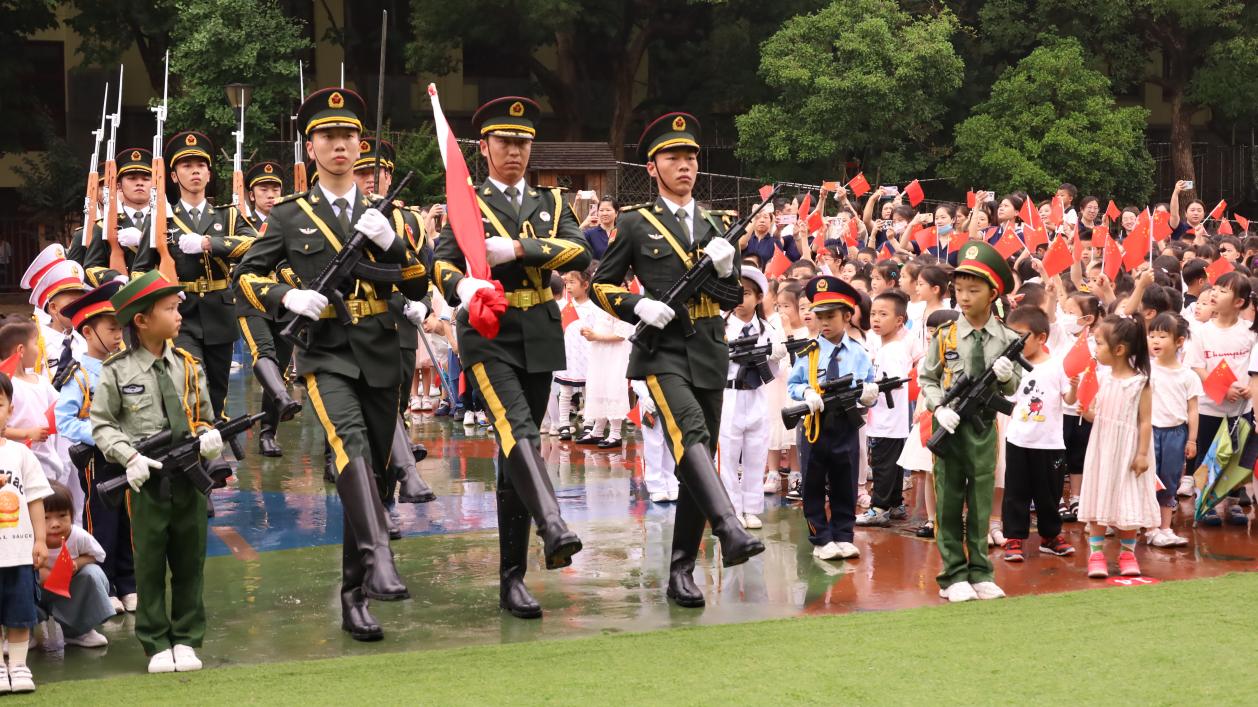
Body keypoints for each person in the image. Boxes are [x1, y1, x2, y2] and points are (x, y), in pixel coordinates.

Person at [234, 87, 429, 639]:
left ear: (360, 145)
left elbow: (418, 283)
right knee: (349, 446)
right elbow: (244, 278)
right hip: (326, 352)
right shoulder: (289, 215)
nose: (339, 144)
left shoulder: (387, 215)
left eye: (348, 136)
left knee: (374, 470)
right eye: (328, 136)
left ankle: (353, 594)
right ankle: (381, 557)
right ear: (311, 147)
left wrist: (393, 244)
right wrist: (287, 297)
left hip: (382, 348)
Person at [591, 111, 762, 607]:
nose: (685, 165)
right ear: (652, 167)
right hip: (662, 350)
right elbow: (602, 285)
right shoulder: (634, 223)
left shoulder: (717, 224)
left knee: (697, 455)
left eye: (690, 157)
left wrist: (727, 272)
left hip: (709, 347)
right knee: (690, 433)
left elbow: (733, 299)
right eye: (673, 157)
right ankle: (728, 527)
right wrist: (637, 305)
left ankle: (681, 570)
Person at [430, 95, 590, 619]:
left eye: (523, 143)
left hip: (539, 331)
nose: (515, 151)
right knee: (518, 430)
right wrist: (462, 286)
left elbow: (579, 251)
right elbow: (441, 262)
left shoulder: (553, 202)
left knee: (515, 452)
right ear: (484, 148)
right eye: (505, 142)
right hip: (488, 332)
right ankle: (553, 525)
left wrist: (519, 249)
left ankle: (511, 579)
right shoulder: (467, 203)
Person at [91, 270, 221, 673]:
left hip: (189, 477)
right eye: (169, 308)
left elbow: (203, 415)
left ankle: (187, 637)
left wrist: (208, 436)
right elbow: (102, 423)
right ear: (142, 320)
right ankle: (155, 640)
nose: (179, 315)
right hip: (145, 479)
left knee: (190, 560)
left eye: (178, 307)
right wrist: (128, 456)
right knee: (148, 563)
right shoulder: (117, 370)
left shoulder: (188, 365)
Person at [919, 241, 1023, 603]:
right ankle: (952, 574)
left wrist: (1007, 377)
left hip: (983, 427)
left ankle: (980, 571)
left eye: (973, 290)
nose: (963, 297)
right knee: (948, 500)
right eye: (959, 289)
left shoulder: (1007, 338)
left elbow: (1013, 386)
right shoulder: (945, 334)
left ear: (993, 293)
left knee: (980, 501)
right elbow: (927, 378)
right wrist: (938, 408)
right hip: (949, 425)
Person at [132, 130, 257, 420]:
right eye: (187, 166)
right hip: (180, 315)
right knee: (192, 378)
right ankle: (197, 438)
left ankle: (215, 435)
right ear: (174, 176)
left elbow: (254, 244)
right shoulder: (161, 219)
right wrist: (161, 291)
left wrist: (209, 243)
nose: (195, 171)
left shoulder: (228, 216)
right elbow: (139, 270)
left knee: (218, 391)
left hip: (219, 311)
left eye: (201, 166)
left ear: (209, 174)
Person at [351, 137, 436, 508]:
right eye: (361, 172)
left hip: (400, 323)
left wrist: (424, 305)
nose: (370, 178)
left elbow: (426, 272)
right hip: (356, 322)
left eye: (378, 172)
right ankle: (373, 490)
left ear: (389, 175)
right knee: (363, 412)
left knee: (394, 408)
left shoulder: (410, 220)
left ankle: (388, 495)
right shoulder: (340, 215)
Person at [54, 280, 135, 613]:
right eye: (111, 329)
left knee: (129, 520)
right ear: (88, 332)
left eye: (120, 329)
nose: (118, 336)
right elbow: (65, 420)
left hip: (128, 455)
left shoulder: (125, 367)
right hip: (98, 460)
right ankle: (107, 584)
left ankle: (129, 583)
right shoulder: (79, 375)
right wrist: (102, 435)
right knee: (102, 521)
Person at [787, 275, 878, 559]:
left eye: (831, 316)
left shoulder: (859, 353)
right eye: (820, 316)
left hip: (846, 424)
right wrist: (806, 392)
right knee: (813, 482)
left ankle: (843, 534)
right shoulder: (808, 352)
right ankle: (821, 538)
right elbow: (793, 384)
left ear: (847, 316)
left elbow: (869, 385)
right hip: (815, 425)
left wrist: (869, 394)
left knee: (845, 480)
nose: (824, 322)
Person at [1078, 316, 1158, 579]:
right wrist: (1086, 412)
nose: (1096, 348)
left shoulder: (1140, 382)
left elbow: (1145, 421)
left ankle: (1127, 553)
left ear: (1119, 349)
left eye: (1099, 343)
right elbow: (1097, 416)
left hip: (1128, 451)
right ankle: (1096, 554)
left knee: (1128, 499)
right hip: (1103, 449)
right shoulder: (1101, 378)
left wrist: (1142, 454)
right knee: (1099, 494)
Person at [999, 306, 1076, 563]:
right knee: (1015, 492)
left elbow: (1069, 399)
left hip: (1050, 442)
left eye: (1022, 336)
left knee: (1049, 493)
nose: (1016, 342)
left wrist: (1076, 388)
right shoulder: (1012, 367)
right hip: (1018, 439)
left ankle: (1050, 536)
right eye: (1012, 336)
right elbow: (1008, 399)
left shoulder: (1056, 365)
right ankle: (1014, 537)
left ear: (1041, 337)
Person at [236, 160, 301, 458]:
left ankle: (267, 432)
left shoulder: (290, 220)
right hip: (252, 300)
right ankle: (280, 404)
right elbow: (240, 247)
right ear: (251, 194)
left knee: (282, 367)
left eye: (275, 188)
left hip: (286, 301)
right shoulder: (240, 221)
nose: (271, 194)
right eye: (264, 189)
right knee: (264, 353)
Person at [1183, 272, 1256, 525]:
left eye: (1223, 291)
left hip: (1241, 409)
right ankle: (1205, 502)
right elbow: (1197, 366)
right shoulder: (1201, 332)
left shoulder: (1249, 332)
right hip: (1209, 407)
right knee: (1207, 456)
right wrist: (1223, 389)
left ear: (1239, 302)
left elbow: (1253, 367)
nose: (1214, 293)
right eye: (1215, 288)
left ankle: (1234, 502)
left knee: (1238, 457)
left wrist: (1249, 388)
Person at [719, 266, 785, 529]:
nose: (739, 299)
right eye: (734, 292)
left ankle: (751, 508)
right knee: (728, 456)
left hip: (756, 394)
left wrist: (772, 356)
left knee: (756, 454)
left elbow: (773, 371)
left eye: (746, 293)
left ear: (759, 298)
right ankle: (732, 508)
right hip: (729, 395)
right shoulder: (720, 326)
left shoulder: (767, 330)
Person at [0, 369, 49, 694]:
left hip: (18, 552)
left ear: (10, 409)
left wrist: (40, 540)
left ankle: (18, 666)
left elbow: (35, 499)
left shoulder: (21, 453)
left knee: (20, 612)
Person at [856, 289, 912, 527]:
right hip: (890, 420)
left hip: (887, 420)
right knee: (893, 465)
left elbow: (895, 382)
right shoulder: (886, 348)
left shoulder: (892, 350)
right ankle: (895, 504)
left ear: (899, 320)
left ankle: (879, 508)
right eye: (873, 314)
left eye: (883, 314)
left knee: (882, 465)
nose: (876, 319)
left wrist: (871, 388)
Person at [37, 481, 115, 649]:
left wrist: (77, 563)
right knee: (14, 577)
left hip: (69, 591)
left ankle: (78, 631)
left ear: (71, 515)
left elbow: (97, 555)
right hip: (37, 591)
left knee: (92, 573)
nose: (55, 524)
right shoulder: (28, 538)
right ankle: (20, 633)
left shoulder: (78, 536)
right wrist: (39, 571)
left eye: (62, 515)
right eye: (46, 517)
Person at [0, 320, 68, 511]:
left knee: (48, 509)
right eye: (36, 343)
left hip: (48, 463)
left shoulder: (41, 382)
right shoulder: (7, 385)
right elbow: (2, 430)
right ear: (21, 349)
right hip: (19, 465)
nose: (39, 350)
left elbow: (60, 407)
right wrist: (27, 433)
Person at [1146, 312, 1199, 547]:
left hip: (1176, 434)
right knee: (1149, 479)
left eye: (1162, 336)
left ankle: (1165, 528)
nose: (1155, 341)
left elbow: (1193, 410)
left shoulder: (1188, 375)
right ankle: (1151, 528)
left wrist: (1192, 440)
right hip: (1149, 432)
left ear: (1179, 341)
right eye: (1152, 335)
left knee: (1170, 480)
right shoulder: (1148, 370)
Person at [82, 147, 153, 286]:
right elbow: (91, 267)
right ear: (119, 186)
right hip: (121, 295)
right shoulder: (104, 225)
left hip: (158, 293)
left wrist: (142, 240)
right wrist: (113, 277)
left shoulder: (168, 221)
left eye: (146, 179)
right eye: (132, 178)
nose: (140, 183)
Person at [583, 196, 617, 260]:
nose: (604, 213)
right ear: (598, 213)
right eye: (601, 210)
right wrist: (583, 225)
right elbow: (573, 243)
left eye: (608, 210)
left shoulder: (622, 233)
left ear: (616, 213)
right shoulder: (590, 234)